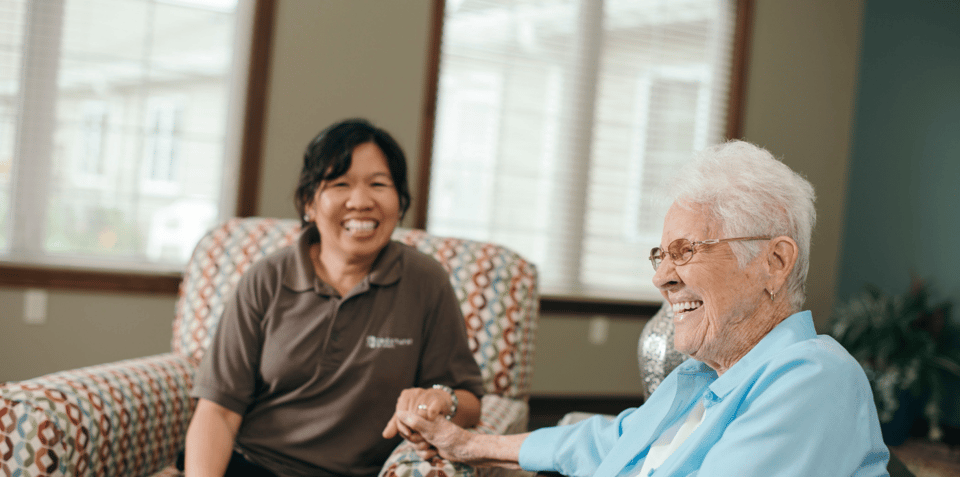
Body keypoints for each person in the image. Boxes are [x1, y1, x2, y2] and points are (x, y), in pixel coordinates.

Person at [395, 141, 891, 476]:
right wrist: (470, 445)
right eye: (660, 255)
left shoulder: (814, 379)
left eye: (685, 251)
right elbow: (605, 442)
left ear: (775, 262)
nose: (661, 276)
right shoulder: (699, 379)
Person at [184, 118, 484, 477]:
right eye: (340, 184)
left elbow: (468, 400)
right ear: (309, 203)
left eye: (378, 184)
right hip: (253, 465)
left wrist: (442, 400)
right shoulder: (266, 279)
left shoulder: (425, 282)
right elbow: (218, 410)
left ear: (400, 203)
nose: (360, 201)